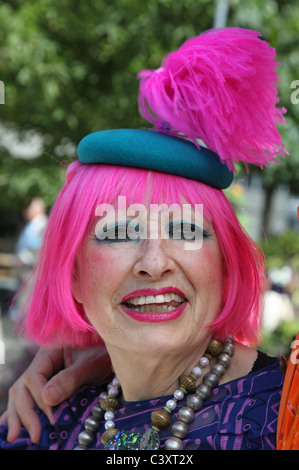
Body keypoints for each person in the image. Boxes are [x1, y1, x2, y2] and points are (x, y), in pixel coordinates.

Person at [0, 27, 288, 450]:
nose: (154, 262)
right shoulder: (40, 423)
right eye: (118, 232)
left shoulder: (284, 419)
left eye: (187, 230)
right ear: (74, 273)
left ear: (225, 265)